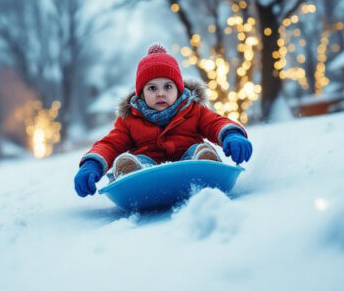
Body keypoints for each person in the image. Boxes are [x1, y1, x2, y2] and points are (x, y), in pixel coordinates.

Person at [74, 44, 253, 197]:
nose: (160, 93)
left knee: (196, 150)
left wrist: (232, 134)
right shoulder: (129, 120)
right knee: (137, 160)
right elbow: (111, 144)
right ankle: (131, 172)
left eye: (167, 86)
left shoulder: (194, 110)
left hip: (189, 165)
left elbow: (215, 123)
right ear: (141, 93)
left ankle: (205, 162)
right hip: (147, 172)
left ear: (179, 89)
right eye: (152, 88)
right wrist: (93, 164)